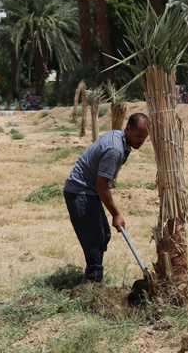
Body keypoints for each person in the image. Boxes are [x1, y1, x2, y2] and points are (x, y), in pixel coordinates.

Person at [63, 113, 149, 283]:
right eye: (138, 136)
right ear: (128, 129)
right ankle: (93, 286)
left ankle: (88, 278)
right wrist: (116, 214)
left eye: (145, 137)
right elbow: (101, 186)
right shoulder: (115, 149)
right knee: (95, 240)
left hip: (88, 191)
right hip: (80, 192)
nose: (141, 140)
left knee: (104, 235)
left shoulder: (119, 139)